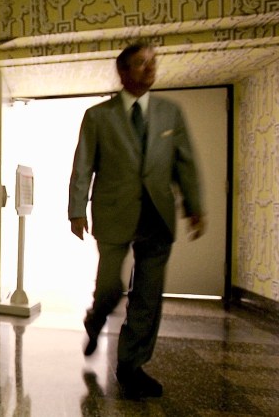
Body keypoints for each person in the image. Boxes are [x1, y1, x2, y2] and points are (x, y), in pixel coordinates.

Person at [68, 41, 206, 399]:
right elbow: (83, 164)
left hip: (157, 216)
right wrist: (76, 209)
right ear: (123, 72)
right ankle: (95, 320)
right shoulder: (98, 116)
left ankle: (131, 365)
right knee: (110, 288)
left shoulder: (169, 113)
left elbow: (184, 163)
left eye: (153, 62)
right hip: (114, 213)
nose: (150, 68)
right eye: (141, 64)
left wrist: (195, 206)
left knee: (148, 295)